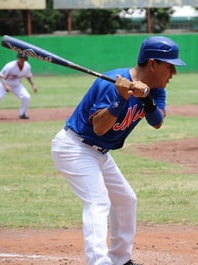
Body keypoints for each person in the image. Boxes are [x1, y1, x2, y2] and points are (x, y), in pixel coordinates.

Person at [51, 36, 185, 265]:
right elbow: (100, 128)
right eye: (169, 66)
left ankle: (120, 259)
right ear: (152, 63)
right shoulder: (110, 83)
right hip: (74, 147)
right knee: (98, 201)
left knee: (126, 200)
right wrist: (121, 99)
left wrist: (146, 99)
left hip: (100, 153)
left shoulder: (155, 89)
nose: (173, 72)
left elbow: (157, 121)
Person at [0, 53, 37, 120]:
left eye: (23, 58)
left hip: (17, 84)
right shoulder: (10, 66)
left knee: (27, 97)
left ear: (26, 59)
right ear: (17, 58)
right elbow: (1, 76)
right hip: (5, 82)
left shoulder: (27, 66)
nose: (21, 59)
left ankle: (22, 114)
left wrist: (33, 85)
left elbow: (28, 76)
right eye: (20, 58)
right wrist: (5, 86)